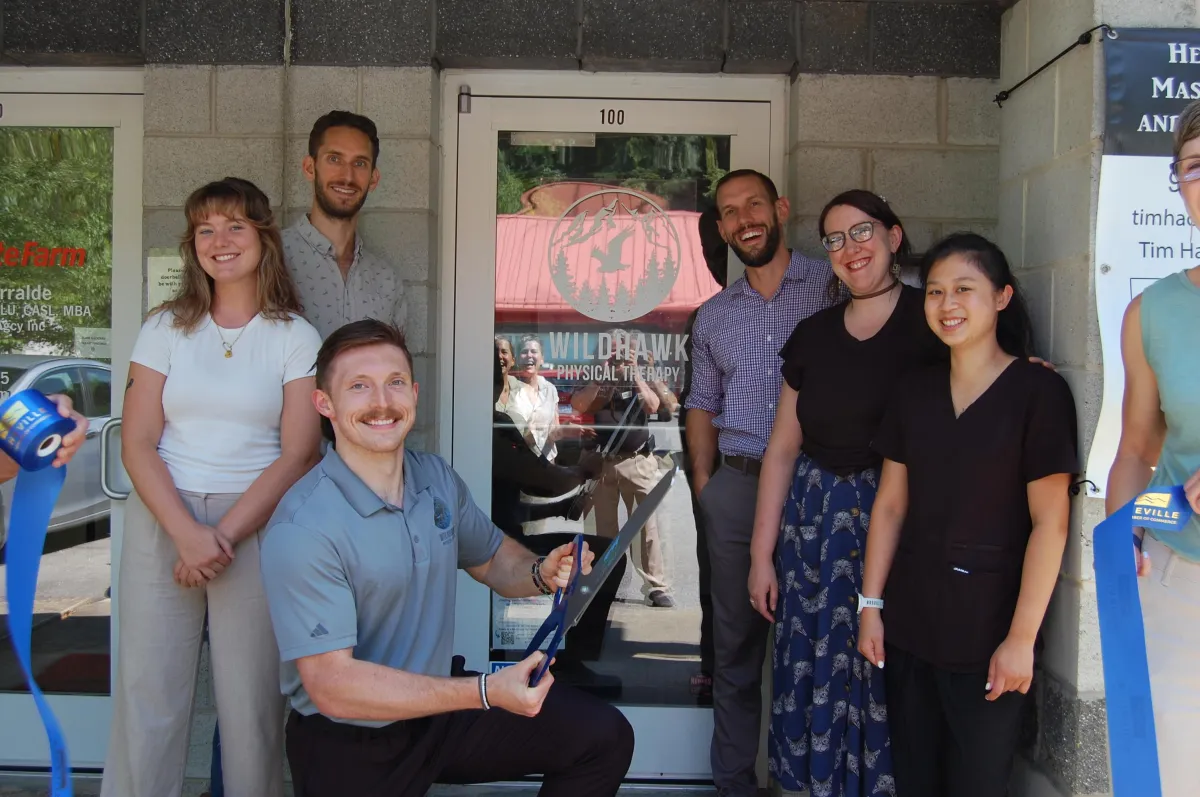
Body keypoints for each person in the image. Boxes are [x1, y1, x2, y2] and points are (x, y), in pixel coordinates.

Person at [258, 319, 635, 797]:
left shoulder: (434, 478)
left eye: (395, 382)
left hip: (438, 712)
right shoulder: (303, 527)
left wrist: (542, 572)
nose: (382, 402)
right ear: (324, 404)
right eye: (359, 386)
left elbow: (493, 558)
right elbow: (333, 686)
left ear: (414, 394)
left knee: (602, 738)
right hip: (351, 740)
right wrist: (484, 692)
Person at [102, 177, 323, 797]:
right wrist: (186, 534)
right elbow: (137, 441)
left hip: (254, 524)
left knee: (251, 706)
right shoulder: (164, 328)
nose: (219, 240)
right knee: (148, 696)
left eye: (234, 226)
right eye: (205, 228)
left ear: (263, 237)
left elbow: (300, 453)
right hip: (163, 517)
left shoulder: (295, 336)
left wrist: (220, 536)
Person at [857, 233, 1077, 797]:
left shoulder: (1039, 392)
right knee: (915, 782)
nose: (946, 304)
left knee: (977, 784)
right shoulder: (915, 391)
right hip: (911, 626)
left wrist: (1021, 639)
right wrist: (871, 606)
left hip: (990, 634)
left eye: (963, 289)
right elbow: (891, 505)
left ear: (1001, 297)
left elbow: (1051, 524)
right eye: (934, 291)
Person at [749, 190, 932, 796]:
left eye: (862, 232)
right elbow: (782, 449)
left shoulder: (932, 321)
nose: (849, 248)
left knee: (884, 670)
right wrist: (761, 557)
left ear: (893, 237)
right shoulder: (813, 335)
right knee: (811, 670)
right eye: (834, 239)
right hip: (813, 533)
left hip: (900, 527)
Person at [685, 169, 837, 796]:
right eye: (730, 212)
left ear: (780, 209)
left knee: (818, 650)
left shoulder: (833, 286)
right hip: (740, 489)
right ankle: (734, 785)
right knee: (736, 653)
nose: (744, 219)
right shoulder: (714, 315)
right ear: (722, 229)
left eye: (754, 204)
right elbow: (701, 403)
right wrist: (706, 487)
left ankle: (804, 783)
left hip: (820, 490)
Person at [1105, 97, 1200, 796]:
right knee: (1169, 776)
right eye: (1194, 167)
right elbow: (1137, 448)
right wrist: (1124, 544)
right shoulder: (1153, 312)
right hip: (1180, 582)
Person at [571, 329, 677, 608]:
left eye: (624, 351)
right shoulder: (594, 373)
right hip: (600, 460)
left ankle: (656, 586)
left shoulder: (641, 372)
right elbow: (580, 404)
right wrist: (604, 374)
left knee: (646, 527)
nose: (618, 357)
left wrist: (637, 373)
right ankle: (603, 583)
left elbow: (654, 406)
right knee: (602, 529)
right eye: (613, 351)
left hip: (637, 459)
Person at [282, 111, 408, 340]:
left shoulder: (386, 280)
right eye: (334, 159)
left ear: (373, 179)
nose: (347, 176)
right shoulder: (270, 257)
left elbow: (393, 361)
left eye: (359, 163)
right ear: (310, 167)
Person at [680, 206, 726, 701]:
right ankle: (713, 671)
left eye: (721, 248)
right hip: (717, 471)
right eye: (710, 250)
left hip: (792, 472)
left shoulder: (809, 296)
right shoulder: (707, 316)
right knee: (714, 577)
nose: (717, 259)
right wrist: (701, 478)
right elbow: (694, 403)